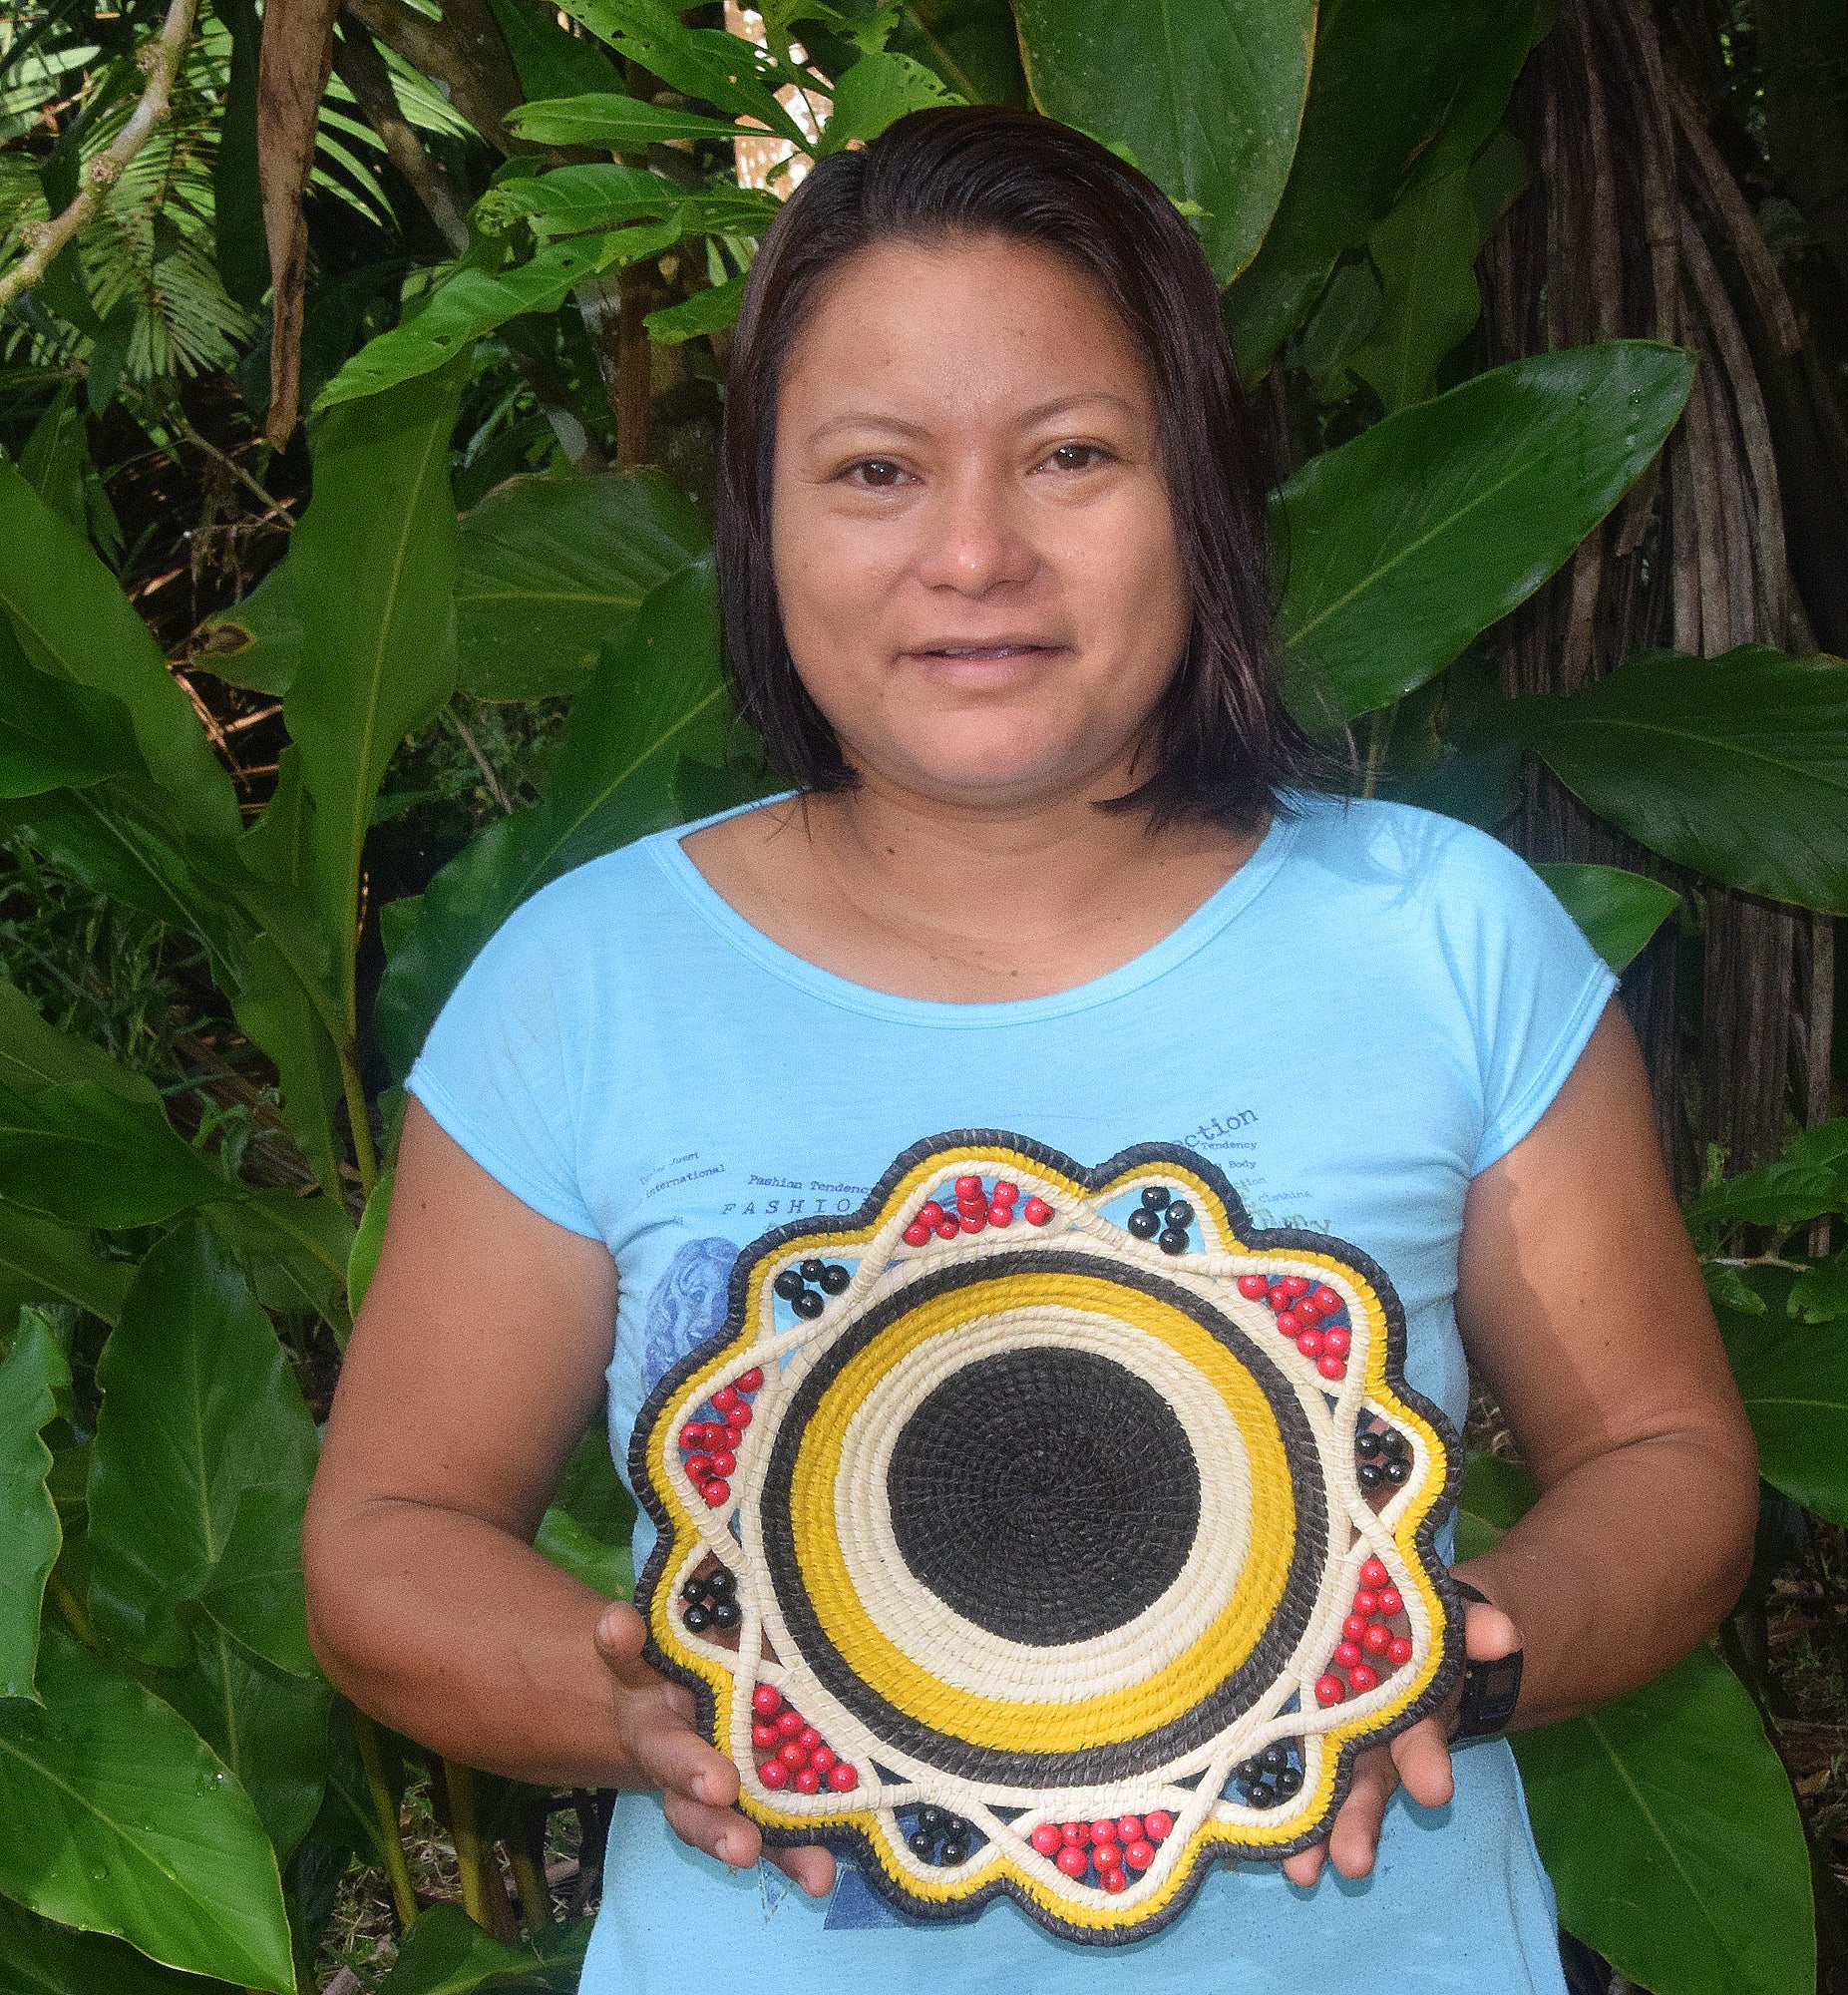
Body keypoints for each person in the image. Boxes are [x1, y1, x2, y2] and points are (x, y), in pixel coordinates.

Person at [303, 106, 1758, 1993]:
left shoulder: (1443, 938)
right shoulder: (589, 983)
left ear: (1206, 494)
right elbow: (385, 1543)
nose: (975, 553)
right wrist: (647, 1712)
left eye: (1072, 455)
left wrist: (1461, 1653)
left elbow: (1667, 1458)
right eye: (876, 470)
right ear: (762, 521)